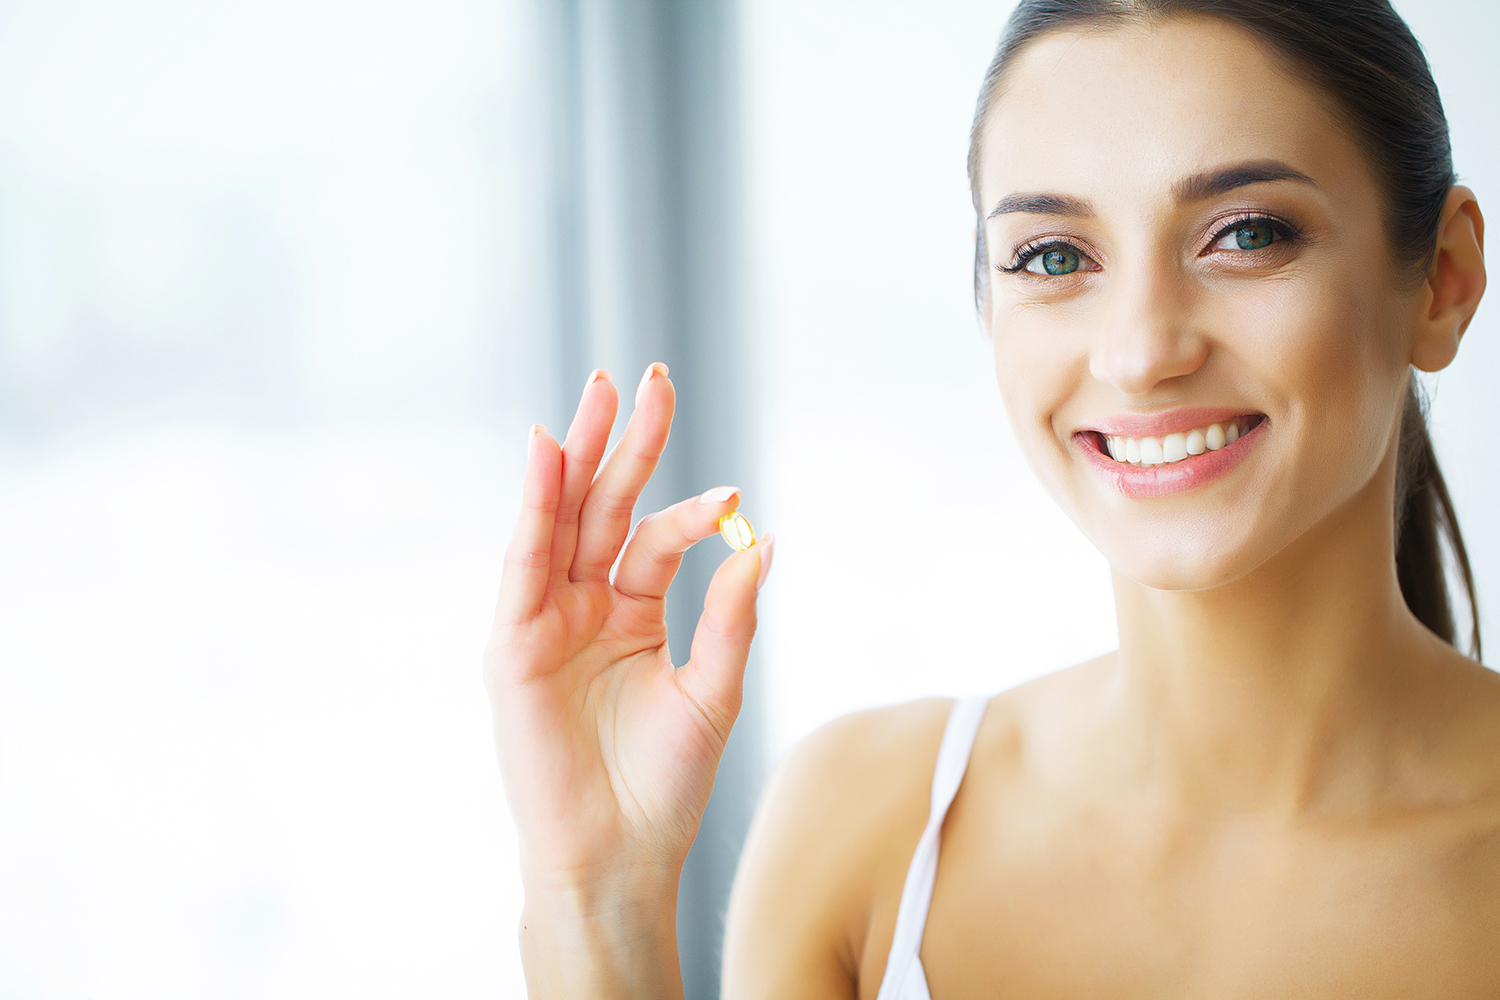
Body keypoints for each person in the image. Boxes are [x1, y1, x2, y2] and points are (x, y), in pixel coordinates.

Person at [484, 0, 1497, 995]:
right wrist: (597, 894)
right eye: (1056, 256)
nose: (1141, 352)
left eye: (1246, 234)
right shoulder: (860, 830)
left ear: (1443, 280)